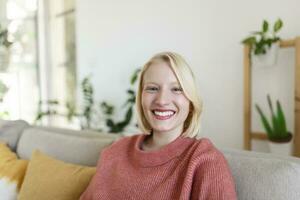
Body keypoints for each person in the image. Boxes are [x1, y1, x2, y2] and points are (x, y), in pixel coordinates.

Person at [80, 52, 237, 200]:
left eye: (176, 89)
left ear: (191, 101)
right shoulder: (115, 151)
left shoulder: (205, 161)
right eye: (153, 88)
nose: (162, 100)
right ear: (141, 97)